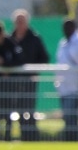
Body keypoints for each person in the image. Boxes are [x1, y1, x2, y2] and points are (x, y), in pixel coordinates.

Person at [9, 9, 49, 140]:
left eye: (22, 21)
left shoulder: (35, 38)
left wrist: (35, 71)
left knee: (29, 109)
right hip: (14, 82)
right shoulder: (10, 39)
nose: (20, 24)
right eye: (17, 21)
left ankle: (31, 137)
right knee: (17, 109)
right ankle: (20, 135)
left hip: (30, 81)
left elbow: (44, 58)